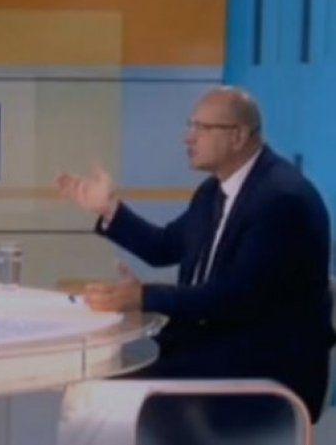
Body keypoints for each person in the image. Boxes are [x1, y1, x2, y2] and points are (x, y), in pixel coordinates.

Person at [57, 86, 335, 422]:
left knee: (97, 395)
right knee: (97, 372)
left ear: (237, 136)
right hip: (213, 345)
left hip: (262, 365)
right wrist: (108, 209)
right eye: (190, 126)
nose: (188, 138)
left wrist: (144, 296)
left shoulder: (281, 199)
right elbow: (164, 246)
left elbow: (233, 298)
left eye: (201, 128)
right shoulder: (213, 190)